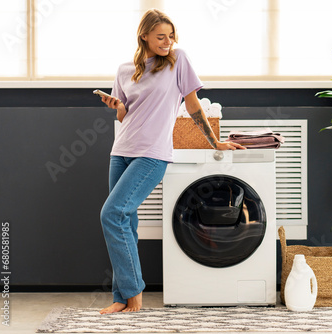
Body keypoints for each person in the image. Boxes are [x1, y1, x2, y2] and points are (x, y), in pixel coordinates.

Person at [98, 9, 245, 314]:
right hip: (121, 151)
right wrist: (116, 105)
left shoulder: (178, 61)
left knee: (111, 214)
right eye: (160, 36)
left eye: (170, 35)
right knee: (127, 221)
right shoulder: (125, 69)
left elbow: (192, 105)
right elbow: (125, 114)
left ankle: (134, 294)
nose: (167, 42)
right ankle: (120, 298)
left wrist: (214, 141)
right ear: (145, 37)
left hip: (153, 153)